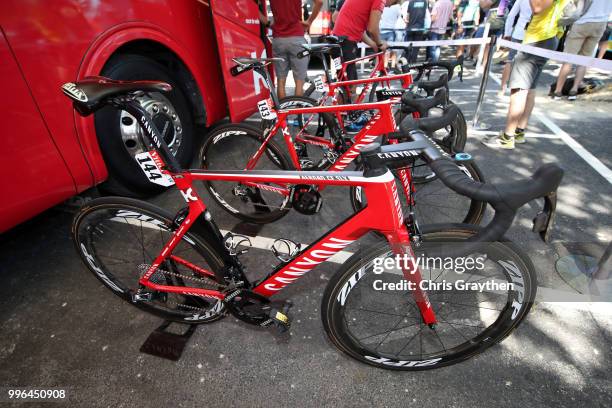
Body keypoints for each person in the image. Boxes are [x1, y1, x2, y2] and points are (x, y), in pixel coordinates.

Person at [483, 0, 568, 150]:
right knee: (529, 88)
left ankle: (507, 137)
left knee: (519, 90)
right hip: (547, 36)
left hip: (538, 38)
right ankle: (518, 132)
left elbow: (537, 7)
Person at [262, 0, 323, 99]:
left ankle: (282, 113)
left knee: (281, 81)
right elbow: (319, 2)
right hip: (296, 38)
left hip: (278, 39)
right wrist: (309, 22)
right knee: (299, 82)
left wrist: (268, 23)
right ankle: (298, 113)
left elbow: (254, 8)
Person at [553, 0, 612, 100]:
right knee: (584, 60)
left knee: (568, 59)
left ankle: (558, 91)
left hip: (583, 22)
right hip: (601, 23)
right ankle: (574, 91)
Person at [333, 0, 388, 82]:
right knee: (352, 83)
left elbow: (357, 29)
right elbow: (372, 29)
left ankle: (343, 93)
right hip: (347, 41)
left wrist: (373, 44)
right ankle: (351, 93)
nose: (388, 6)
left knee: (343, 81)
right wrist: (380, 44)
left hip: (337, 38)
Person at [499, 0, 532, 95]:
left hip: (518, 32)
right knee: (527, 63)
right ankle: (521, 90)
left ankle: (502, 89)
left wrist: (507, 33)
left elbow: (511, 15)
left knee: (510, 61)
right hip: (533, 35)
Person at [380, 0, 403, 69]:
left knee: (382, 51)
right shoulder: (397, 6)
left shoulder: (382, 5)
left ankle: (383, 68)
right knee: (392, 50)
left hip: (381, 30)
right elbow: (401, 17)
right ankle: (391, 67)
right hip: (391, 30)